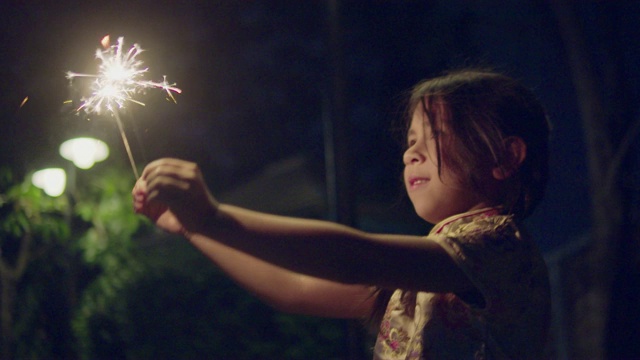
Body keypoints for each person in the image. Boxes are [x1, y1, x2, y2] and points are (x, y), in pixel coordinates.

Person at [133, 69, 551, 359]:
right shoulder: (429, 275)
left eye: (436, 136)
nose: (411, 153)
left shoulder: (498, 244)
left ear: (504, 156)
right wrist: (196, 229)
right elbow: (294, 287)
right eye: (410, 140)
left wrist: (213, 216)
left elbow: (354, 258)